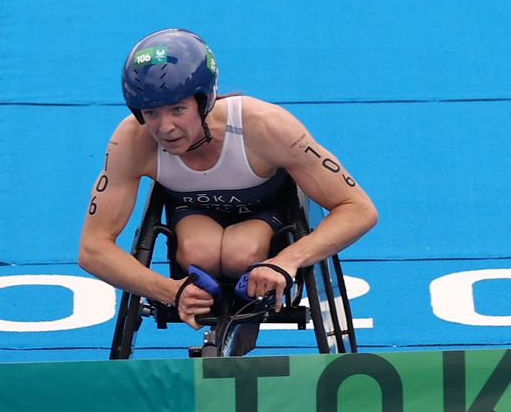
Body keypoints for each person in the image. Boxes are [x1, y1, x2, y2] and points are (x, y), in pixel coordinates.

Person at [78, 28, 377, 327]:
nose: (165, 127)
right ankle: (214, 292)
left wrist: (286, 261)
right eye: (152, 113)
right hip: (193, 220)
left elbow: (358, 209)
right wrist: (170, 290)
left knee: (241, 253)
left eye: (178, 109)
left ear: (205, 100)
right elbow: (92, 249)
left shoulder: (265, 127)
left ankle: (249, 291)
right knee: (200, 253)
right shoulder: (131, 140)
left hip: (265, 213)